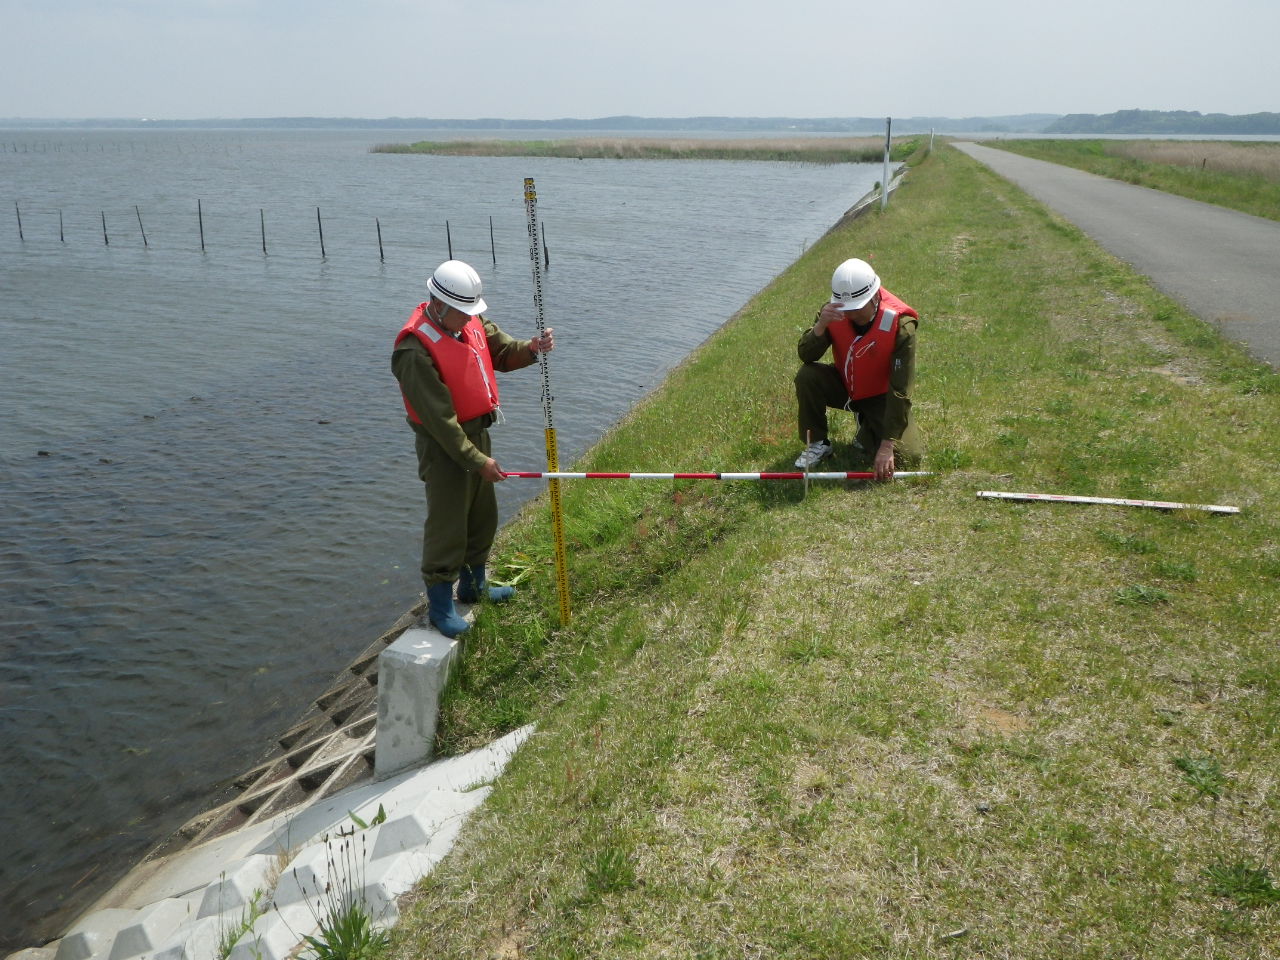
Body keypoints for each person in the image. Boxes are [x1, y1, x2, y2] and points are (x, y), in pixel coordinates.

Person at [392, 259, 554, 638]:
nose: (469, 321)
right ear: (438, 304)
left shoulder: (470, 321)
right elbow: (440, 423)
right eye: (462, 314)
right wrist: (476, 460)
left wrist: (531, 349)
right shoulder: (414, 351)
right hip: (443, 447)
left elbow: (502, 352)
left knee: (482, 515)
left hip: (478, 433)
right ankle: (441, 605)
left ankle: (474, 585)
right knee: (448, 523)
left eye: (471, 314)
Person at [793, 257, 921, 480]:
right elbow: (806, 355)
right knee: (807, 376)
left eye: (856, 308)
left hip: (881, 396)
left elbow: (901, 389)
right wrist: (820, 326)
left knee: (908, 458)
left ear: (874, 296)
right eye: (847, 308)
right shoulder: (832, 312)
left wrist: (887, 445)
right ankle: (817, 443)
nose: (850, 314)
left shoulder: (901, 325)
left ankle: (867, 431)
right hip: (845, 385)